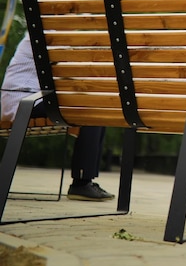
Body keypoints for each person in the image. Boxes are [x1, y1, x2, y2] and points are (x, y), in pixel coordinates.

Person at [1, 34, 114, 201]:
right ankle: (81, 184)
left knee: (94, 106)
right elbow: (71, 71)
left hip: (30, 98)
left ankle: (84, 181)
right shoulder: (46, 34)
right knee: (91, 110)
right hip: (23, 101)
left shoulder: (46, 33)